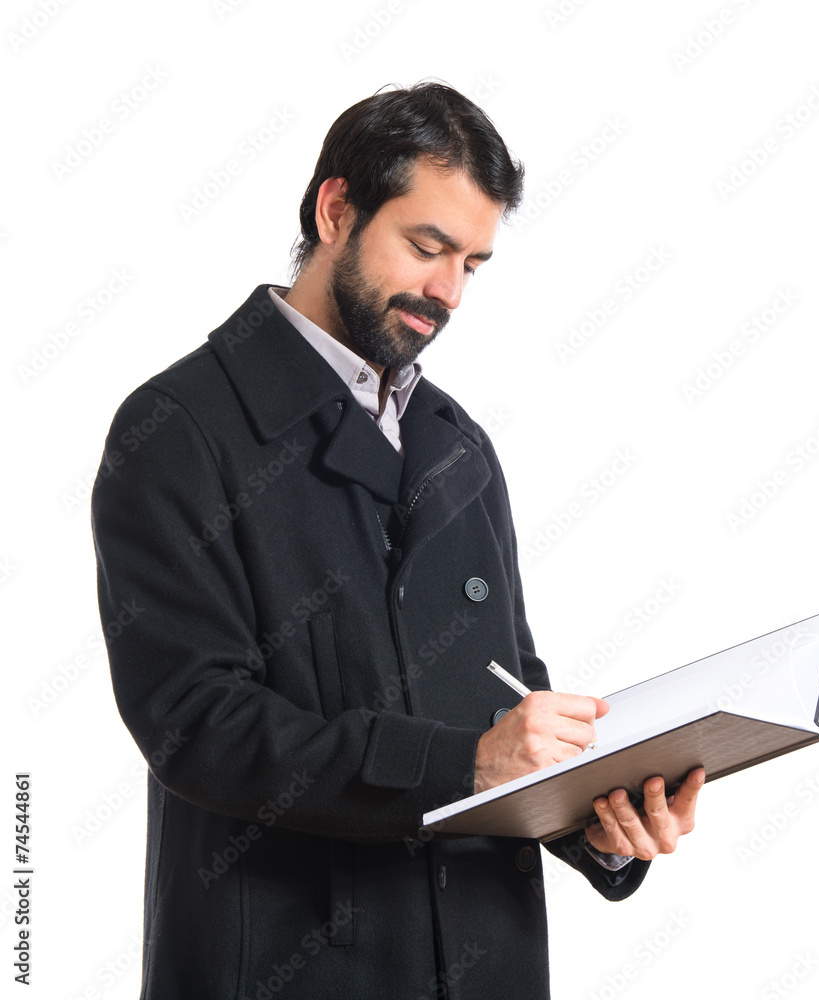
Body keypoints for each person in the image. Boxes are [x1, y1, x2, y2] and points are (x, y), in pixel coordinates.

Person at [91, 81, 703, 1000]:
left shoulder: (458, 446)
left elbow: (507, 688)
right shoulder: (180, 428)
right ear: (336, 209)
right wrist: (463, 765)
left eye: (474, 263)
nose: (447, 292)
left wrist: (593, 816)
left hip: (487, 961)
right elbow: (196, 726)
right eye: (426, 247)